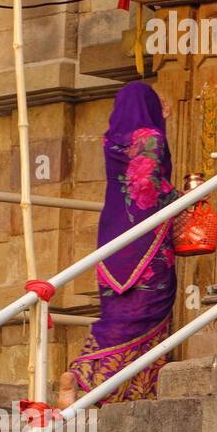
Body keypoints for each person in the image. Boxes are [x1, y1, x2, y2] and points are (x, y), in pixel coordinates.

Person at [59, 82, 179, 407]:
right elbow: (147, 186)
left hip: (112, 237)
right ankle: (91, 376)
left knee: (116, 313)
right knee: (148, 310)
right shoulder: (150, 137)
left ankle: (88, 379)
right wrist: (186, 197)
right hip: (145, 240)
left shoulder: (112, 139)